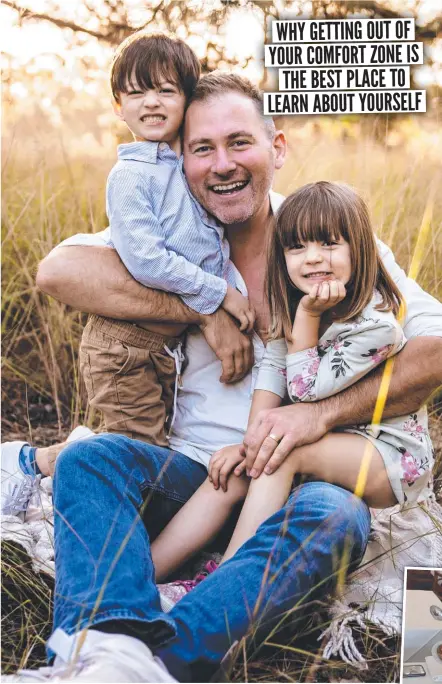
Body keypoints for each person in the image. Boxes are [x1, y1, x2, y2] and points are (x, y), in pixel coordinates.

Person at [6, 73, 442, 683]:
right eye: (201, 149)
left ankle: (144, 655)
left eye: (240, 143)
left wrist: (314, 416)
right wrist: (205, 305)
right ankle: (113, 644)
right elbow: (59, 271)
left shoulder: (324, 238)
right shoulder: (169, 232)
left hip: (304, 476)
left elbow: (434, 351)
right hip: (194, 474)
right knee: (91, 461)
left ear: (277, 148)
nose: (221, 165)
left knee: (335, 516)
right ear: (181, 159)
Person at [147, 180, 435, 594]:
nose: (313, 258)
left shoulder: (377, 326)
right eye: (297, 247)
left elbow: (303, 391)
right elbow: (273, 370)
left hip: (388, 457)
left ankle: (225, 580)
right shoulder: (302, 307)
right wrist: (251, 440)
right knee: (240, 467)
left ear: (360, 248)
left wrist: (307, 317)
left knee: (279, 454)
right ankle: (145, 575)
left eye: (330, 244)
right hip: (335, 441)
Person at [79, 32, 253, 446]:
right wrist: (220, 293)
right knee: (140, 449)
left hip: (164, 346)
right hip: (125, 345)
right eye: (136, 93)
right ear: (118, 107)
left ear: (188, 99)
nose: (151, 102)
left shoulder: (190, 165)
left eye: (165, 90)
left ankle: (58, 461)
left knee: (160, 440)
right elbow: (148, 260)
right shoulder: (131, 176)